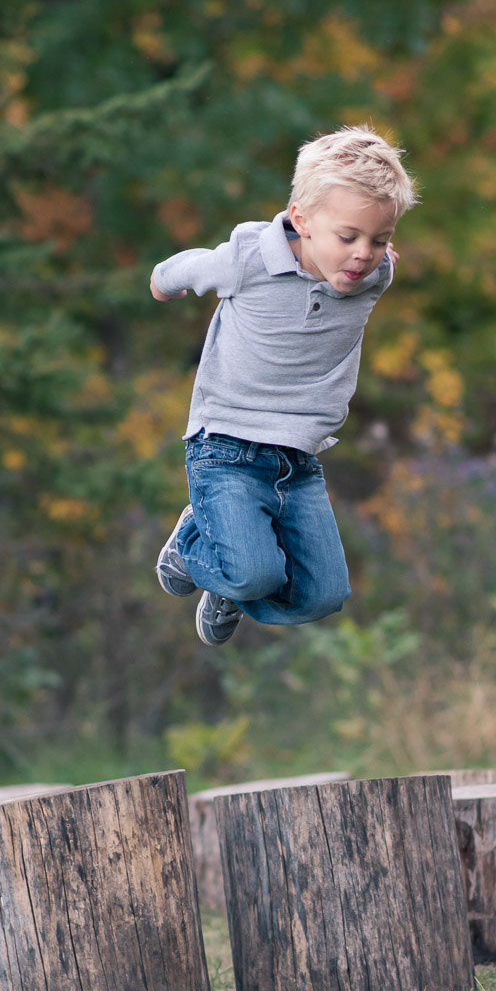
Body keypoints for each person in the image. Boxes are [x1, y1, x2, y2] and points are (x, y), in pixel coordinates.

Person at [149, 125, 418, 645]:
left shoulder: (376, 273)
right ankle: (197, 545)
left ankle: (228, 578)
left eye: (379, 239)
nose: (363, 254)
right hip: (224, 444)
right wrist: (163, 281)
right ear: (302, 220)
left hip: (297, 459)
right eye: (348, 237)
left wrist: (379, 253)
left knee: (324, 594)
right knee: (256, 572)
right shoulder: (251, 257)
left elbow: (381, 261)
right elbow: (195, 266)